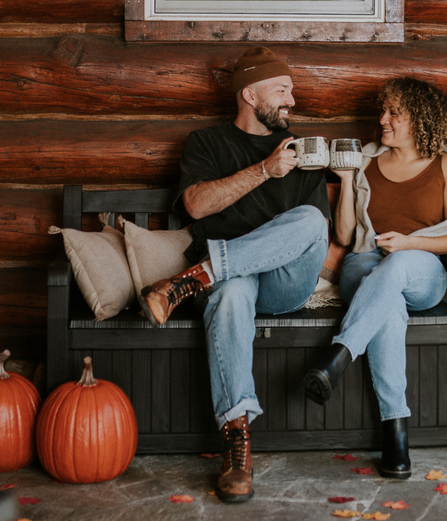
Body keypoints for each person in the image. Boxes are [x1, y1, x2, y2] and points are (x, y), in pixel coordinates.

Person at [138, 47, 330, 503]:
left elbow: (315, 237)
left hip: (286, 283)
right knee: (230, 295)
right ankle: (237, 443)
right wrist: (265, 170)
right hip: (233, 285)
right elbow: (196, 206)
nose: (292, 100)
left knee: (310, 221)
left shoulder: (303, 151)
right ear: (250, 93)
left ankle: (191, 279)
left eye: (291, 91)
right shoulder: (206, 143)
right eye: (282, 90)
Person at [301, 77, 447, 479]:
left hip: (422, 271)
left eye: (393, 112)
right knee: (388, 305)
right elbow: (346, 237)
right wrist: (346, 181)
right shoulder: (363, 161)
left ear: (419, 118)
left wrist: (411, 243)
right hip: (364, 267)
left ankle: (340, 354)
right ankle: (395, 434)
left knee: (396, 267)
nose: (383, 119)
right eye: (384, 110)